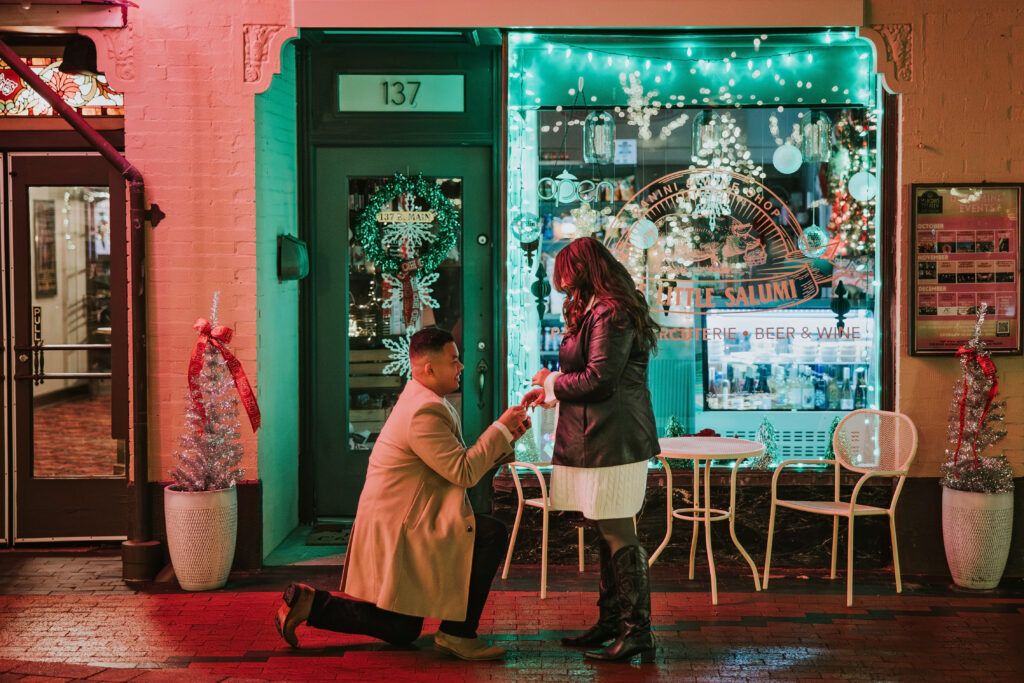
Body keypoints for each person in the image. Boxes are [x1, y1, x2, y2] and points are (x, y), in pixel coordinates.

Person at [275, 327, 531, 661]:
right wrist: (499, 429)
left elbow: (455, 466)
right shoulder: (424, 412)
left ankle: (311, 604)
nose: (461, 367)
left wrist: (507, 435)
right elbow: (463, 472)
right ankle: (458, 633)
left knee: (402, 629)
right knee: (490, 533)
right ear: (429, 369)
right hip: (403, 528)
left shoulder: (425, 401)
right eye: (454, 360)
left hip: (407, 520)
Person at [521, 236, 660, 663]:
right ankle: (612, 622)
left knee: (617, 529)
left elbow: (600, 379)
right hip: (598, 436)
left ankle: (638, 631)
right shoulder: (601, 308)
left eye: (565, 272)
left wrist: (550, 384)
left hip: (613, 439)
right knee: (606, 526)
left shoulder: (612, 311)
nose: (562, 283)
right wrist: (553, 379)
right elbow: (586, 371)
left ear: (582, 268)